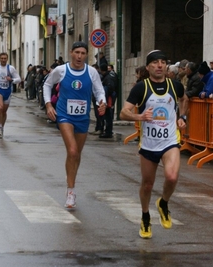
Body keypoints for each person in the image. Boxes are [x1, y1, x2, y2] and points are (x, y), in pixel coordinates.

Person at [119, 50, 188, 239]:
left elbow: (184, 99)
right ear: (148, 67)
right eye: (155, 62)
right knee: (148, 185)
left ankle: (163, 203)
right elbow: (123, 113)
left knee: (172, 177)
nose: (159, 65)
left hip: (170, 141)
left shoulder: (175, 86)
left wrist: (182, 116)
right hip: (149, 144)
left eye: (163, 62)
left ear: (166, 66)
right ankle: (145, 216)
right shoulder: (141, 88)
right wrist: (139, 116)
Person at [43, 41, 106, 209]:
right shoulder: (61, 70)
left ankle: (70, 179)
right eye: (76, 52)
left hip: (82, 118)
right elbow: (47, 85)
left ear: (86, 55)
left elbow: (99, 90)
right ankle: (70, 191)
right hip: (64, 115)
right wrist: (49, 105)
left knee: (76, 154)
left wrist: (102, 102)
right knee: (71, 150)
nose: (79, 56)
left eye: (83, 53)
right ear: (71, 53)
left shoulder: (91, 72)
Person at [0, 53, 21, 138]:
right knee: (0, 107)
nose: (3, 60)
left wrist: (12, 79)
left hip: (7, 91)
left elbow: (19, 79)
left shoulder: (11, 68)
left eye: (5, 58)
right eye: (2, 58)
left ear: (7, 59)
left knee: (4, 111)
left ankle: (2, 127)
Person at [99, 64, 118, 138]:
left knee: (108, 116)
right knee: (107, 116)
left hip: (108, 98)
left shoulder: (108, 78)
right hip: (108, 98)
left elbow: (110, 88)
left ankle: (108, 131)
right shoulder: (108, 76)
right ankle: (107, 131)